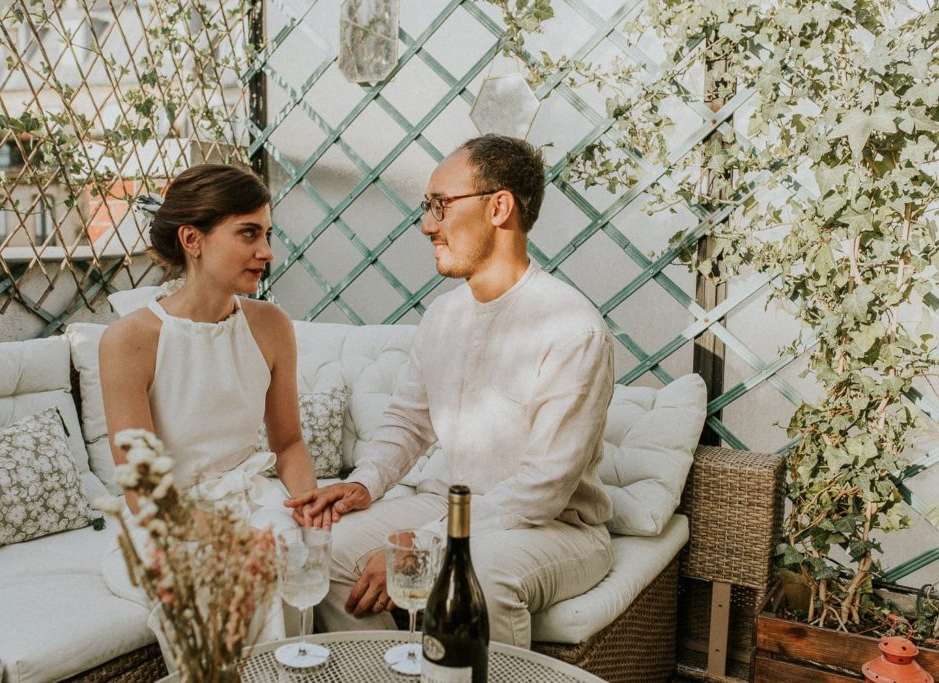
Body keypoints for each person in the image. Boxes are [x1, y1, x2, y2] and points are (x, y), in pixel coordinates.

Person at [286, 135, 616, 647]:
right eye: (427, 206)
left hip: (557, 529)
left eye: (440, 205)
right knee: (322, 549)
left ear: (499, 207)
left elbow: (543, 489)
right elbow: (409, 420)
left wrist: (427, 543)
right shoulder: (443, 316)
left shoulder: (573, 330)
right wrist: (365, 482)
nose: (426, 224)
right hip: (454, 506)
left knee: (476, 572)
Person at [99, 163, 328, 529]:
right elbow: (144, 491)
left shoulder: (272, 325)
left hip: (256, 507)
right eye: (249, 234)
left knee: (314, 564)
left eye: (267, 234)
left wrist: (309, 506)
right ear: (192, 240)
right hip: (170, 523)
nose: (267, 252)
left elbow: (288, 445)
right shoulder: (129, 340)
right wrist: (233, 540)